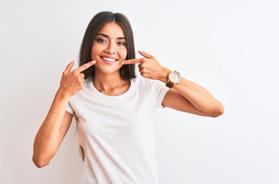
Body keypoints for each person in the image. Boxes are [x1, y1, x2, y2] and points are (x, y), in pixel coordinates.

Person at [32, 11, 224, 184]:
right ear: (90, 44)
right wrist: (62, 93)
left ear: (128, 48)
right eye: (102, 40)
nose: (111, 49)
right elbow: (41, 158)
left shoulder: (145, 89)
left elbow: (214, 109)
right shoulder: (76, 94)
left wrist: (164, 74)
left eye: (120, 43)